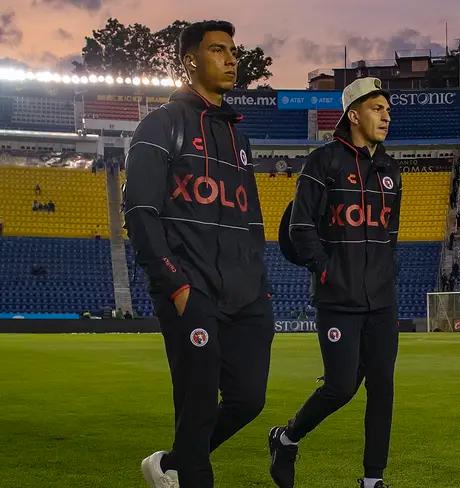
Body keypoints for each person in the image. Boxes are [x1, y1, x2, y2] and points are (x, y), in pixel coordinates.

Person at [124, 20, 274, 488]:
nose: (232, 59)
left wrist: (261, 286)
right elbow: (141, 211)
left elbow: (251, 220)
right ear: (190, 60)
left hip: (247, 295)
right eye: (218, 50)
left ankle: (171, 464)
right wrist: (177, 284)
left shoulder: (238, 138)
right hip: (190, 288)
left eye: (233, 51)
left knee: (249, 400)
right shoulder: (161, 124)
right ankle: (189, 475)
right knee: (199, 401)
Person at [268, 77, 401, 488]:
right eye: (377, 108)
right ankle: (286, 438)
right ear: (354, 114)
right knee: (342, 387)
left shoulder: (390, 171)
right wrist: (326, 270)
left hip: (382, 300)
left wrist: (384, 273)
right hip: (337, 298)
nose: (386, 116)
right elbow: (301, 228)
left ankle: (372, 479)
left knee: (382, 389)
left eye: (388, 110)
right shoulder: (322, 162)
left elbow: (390, 233)